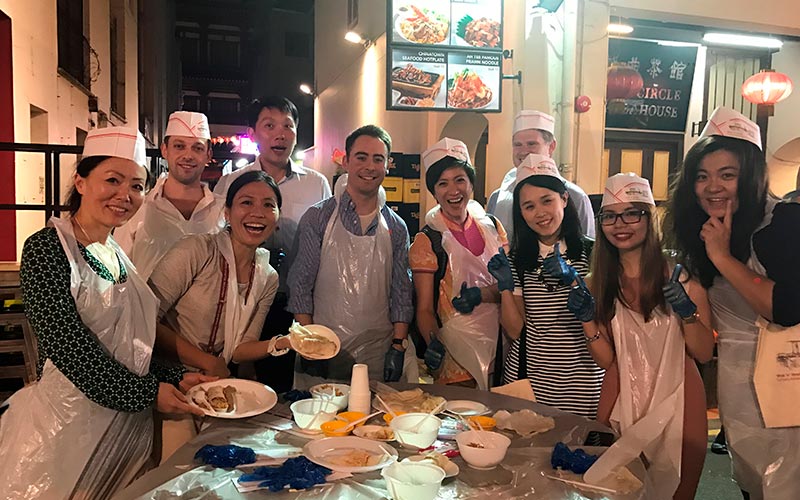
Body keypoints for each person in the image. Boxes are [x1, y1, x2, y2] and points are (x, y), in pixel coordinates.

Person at [0, 127, 211, 499]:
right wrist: (148, 393)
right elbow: (70, 348)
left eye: (136, 186)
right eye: (112, 180)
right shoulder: (47, 249)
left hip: (125, 429)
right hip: (65, 431)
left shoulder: (115, 253)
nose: (125, 196)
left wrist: (177, 376)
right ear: (80, 182)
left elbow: (128, 346)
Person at [663, 107, 800, 500]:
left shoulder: (786, 222)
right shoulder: (701, 233)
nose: (712, 187)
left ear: (752, 176)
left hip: (789, 389)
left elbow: (786, 308)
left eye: (727, 175)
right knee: (753, 483)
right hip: (739, 392)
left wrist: (723, 257)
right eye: (702, 176)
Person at [572, 173, 713, 499]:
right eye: (610, 215)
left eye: (632, 213)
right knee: (614, 490)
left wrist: (687, 311)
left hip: (680, 396)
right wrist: (586, 322)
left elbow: (704, 353)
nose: (620, 224)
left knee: (678, 490)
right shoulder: (597, 283)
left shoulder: (683, 277)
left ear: (650, 218)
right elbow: (607, 359)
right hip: (620, 394)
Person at [148, 171, 288, 460]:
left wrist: (287, 343)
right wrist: (207, 362)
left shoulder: (268, 276)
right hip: (171, 385)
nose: (257, 213)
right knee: (177, 471)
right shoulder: (196, 250)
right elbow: (147, 320)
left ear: (277, 217)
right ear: (227, 211)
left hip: (219, 389)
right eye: (246, 203)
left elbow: (240, 349)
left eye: (268, 205)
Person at [213, 96, 331, 393]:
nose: (280, 134)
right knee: (240, 381)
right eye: (269, 126)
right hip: (242, 299)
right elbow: (219, 240)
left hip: (295, 301)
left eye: (288, 127)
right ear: (253, 133)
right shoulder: (231, 183)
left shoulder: (316, 184)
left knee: (288, 382)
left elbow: (326, 242)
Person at [288, 125, 417, 386]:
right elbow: (300, 286)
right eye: (361, 157)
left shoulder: (396, 227)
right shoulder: (318, 218)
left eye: (378, 159)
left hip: (378, 352)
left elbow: (401, 292)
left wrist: (398, 346)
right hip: (324, 347)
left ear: (387, 165)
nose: (369, 166)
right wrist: (312, 343)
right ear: (346, 162)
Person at [487, 154, 603, 418]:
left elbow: (603, 313)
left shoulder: (594, 252)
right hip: (530, 382)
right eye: (528, 206)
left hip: (583, 382)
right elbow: (516, 330)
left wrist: (574, 279)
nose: (539, 213)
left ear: (564, 198)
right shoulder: (517, 259)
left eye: (547, 200)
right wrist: (506, 287)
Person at [409, 138, 508, 390]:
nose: (453, 190)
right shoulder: (428, 239)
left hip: (501, 345)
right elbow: (424, 309)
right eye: (443, 183)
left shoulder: (493, 227)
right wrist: (433, 343)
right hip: (456, 356)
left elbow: (510, 285)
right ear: (434, 192)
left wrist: (483, 294)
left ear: (471, 183)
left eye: (460, 180)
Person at [115, 111, 219, 280]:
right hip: (146, 306)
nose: (188, 155)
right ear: (165, 150)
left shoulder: (222, 211)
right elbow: (117, 268)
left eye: (197, 148)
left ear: (208, 155)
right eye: (179, 146)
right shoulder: (138, 207)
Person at [486, 110, 595, 239]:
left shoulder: (576, 197)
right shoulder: (498, 198)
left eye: (532, 144)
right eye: (517, 145)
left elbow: (588, 248)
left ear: (551, 147)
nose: (523, 151)